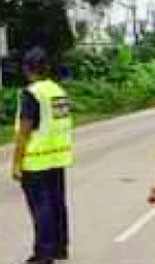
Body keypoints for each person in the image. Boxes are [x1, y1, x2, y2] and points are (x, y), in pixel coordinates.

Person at [12, 47, 74, 264]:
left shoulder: (31, 93)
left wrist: (16, 163)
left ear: (27, 69)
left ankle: (44, 253)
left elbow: (25, 130)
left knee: (41, 207)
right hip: (58, 157)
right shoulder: (57, 90)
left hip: (36, 159)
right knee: (57, 202)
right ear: (46, 67)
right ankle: (59, 247)